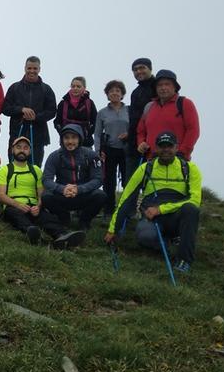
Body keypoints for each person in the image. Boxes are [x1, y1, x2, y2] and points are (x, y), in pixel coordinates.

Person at [105, 131, 202, 273]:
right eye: (162, 146)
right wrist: (113, 229)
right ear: (156, 148)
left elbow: (194, 200)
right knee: (144, 236)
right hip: (152, 218)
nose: (166, 150)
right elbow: (126, 198)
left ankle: (184, 259)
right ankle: (167, 244)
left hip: (175, 216)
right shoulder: (146, 168)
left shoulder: (189, 169)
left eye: (170, 146)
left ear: (176, 148)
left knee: (191, 210)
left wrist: (160, 209)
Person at [0, 136, 86, 249]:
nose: (22, 150)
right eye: (18, 147)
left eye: (25, 148)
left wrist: (38, 206)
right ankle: (31, 232)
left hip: (33, 207)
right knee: (15, 215)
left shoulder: (36, 170)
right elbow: (0, 195)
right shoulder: (4, 169)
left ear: (30, 151)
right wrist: (18, 205)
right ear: (12, 150)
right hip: (12, 206)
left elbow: (41, 193)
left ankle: (62, 236)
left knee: (47, 218)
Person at [41, 124, 106, 230]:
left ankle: (84, 220)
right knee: (46, 197)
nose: (70, 141)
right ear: (62, 140)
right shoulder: (54, 156)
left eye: (74, 137)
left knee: (100, 195)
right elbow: (46, 179)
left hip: (83, 194)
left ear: (80, 138)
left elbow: (98, 179)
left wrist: (79, 189)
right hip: (63, 194)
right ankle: (64, 218)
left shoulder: (91, 155)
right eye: (66, 138)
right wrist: (62, 189)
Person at [1, 56, 57, 167]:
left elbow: (52, 111)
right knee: (13, 166)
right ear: (25, 68)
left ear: (39, 69)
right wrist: (21, 109)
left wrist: (36, 116)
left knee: (34, 167)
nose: (32, 71)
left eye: (35, 68)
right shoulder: (14, 87)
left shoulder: (47, 89)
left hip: (38, 135)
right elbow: (5, 109)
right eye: (29, 68)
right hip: (17, 132)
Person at [136, 69, 200, 161]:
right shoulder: (149, 107)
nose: (163, 88)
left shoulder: (185, 103)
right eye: (159, 85)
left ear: (175, 87)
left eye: (167, 84)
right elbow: (140, 130)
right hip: (151, 161)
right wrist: (141, 142)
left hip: (177, 160)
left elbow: (193, 131)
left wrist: (182, 153)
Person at [94, 80, 130, 216]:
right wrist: (97, 151)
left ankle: (127, 210)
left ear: (122, 94)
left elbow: (136, 128)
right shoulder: (102, 113)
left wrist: (129, 134)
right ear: (107, 95)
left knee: (127, 179)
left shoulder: (129, 110)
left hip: (126, 150)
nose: (114, 93)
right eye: (111, 91)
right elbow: (97, 133)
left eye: (117, 91)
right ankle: (109, 210)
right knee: (109, 181)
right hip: (109, 149)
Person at [126, 57, 156, 175]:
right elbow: (133, 119)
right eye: (135, 69)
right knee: (131, 182)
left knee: (150, 181)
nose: (138, 71)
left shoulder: (158, 87)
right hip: (134, 143)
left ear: (150, 68)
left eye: (142, 68)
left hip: (152, 143)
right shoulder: (135, 92)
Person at [54, 76, 97, 147]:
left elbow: (95, 122)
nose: (75, 88)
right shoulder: (63, 103)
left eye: (78, 86)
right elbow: (57, 122)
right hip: (67, 143)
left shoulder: (89, 103)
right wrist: (63, 133)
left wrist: (87, 134)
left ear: (84, 88)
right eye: (73, 86)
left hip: (85, 143)